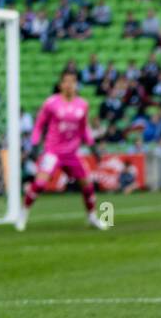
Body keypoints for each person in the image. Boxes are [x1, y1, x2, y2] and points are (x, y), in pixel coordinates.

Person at [17, 69, 109, 232]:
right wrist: (34, 144)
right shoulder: (51, 103)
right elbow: (39, 125)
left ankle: (92, 216)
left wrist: (93, 147)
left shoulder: (83, 104)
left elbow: (84, 129)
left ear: (76, 84)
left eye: (72, 82)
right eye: (66, 82)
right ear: (60, 85)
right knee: (40, 183)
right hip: (53, 152)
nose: (69, 85)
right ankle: (23, 213)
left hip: (72, 153)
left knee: (87, 184)